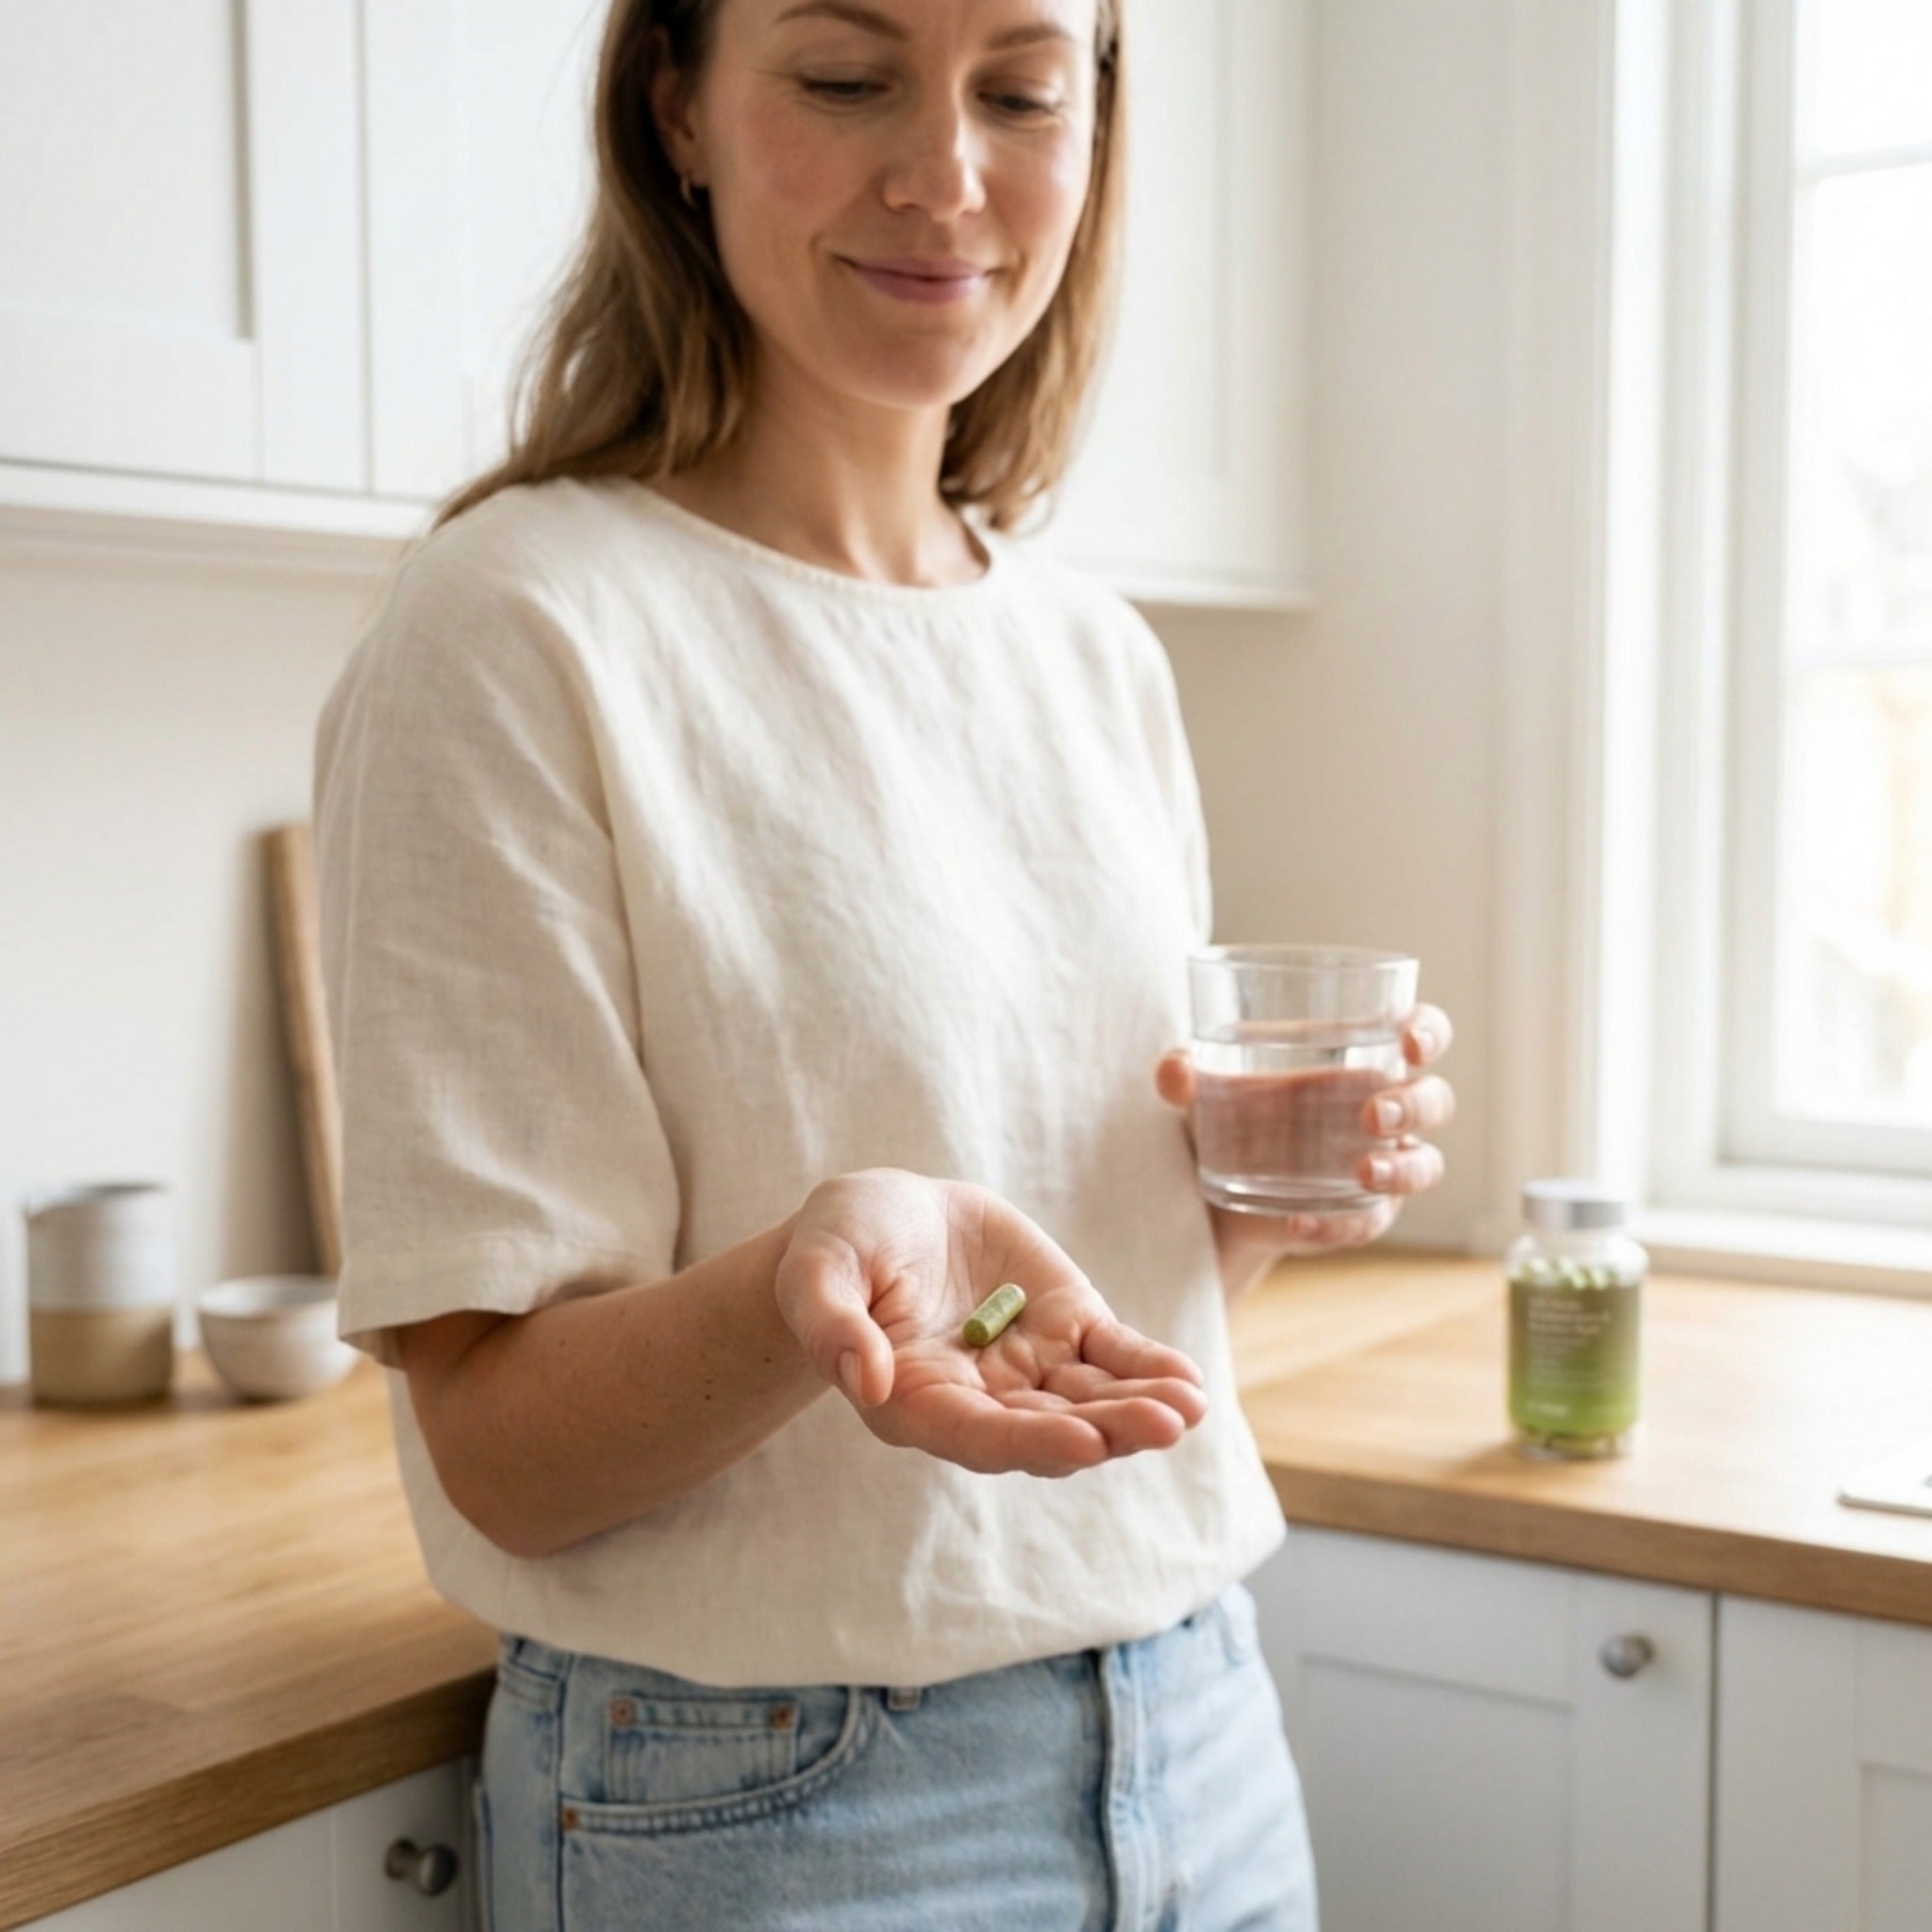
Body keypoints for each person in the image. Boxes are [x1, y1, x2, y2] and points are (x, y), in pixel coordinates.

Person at [312, 1, 1457, 1925]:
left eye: (1020, 89)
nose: (945, 175)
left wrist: (1262, 1190)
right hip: (772, 1808)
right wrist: (801, 1287)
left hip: (1197, 1734)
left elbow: (1079, 1329)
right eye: (845, 78)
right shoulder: (516, 628)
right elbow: (502, 1448)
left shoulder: (1095, 658)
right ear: (675, 105)